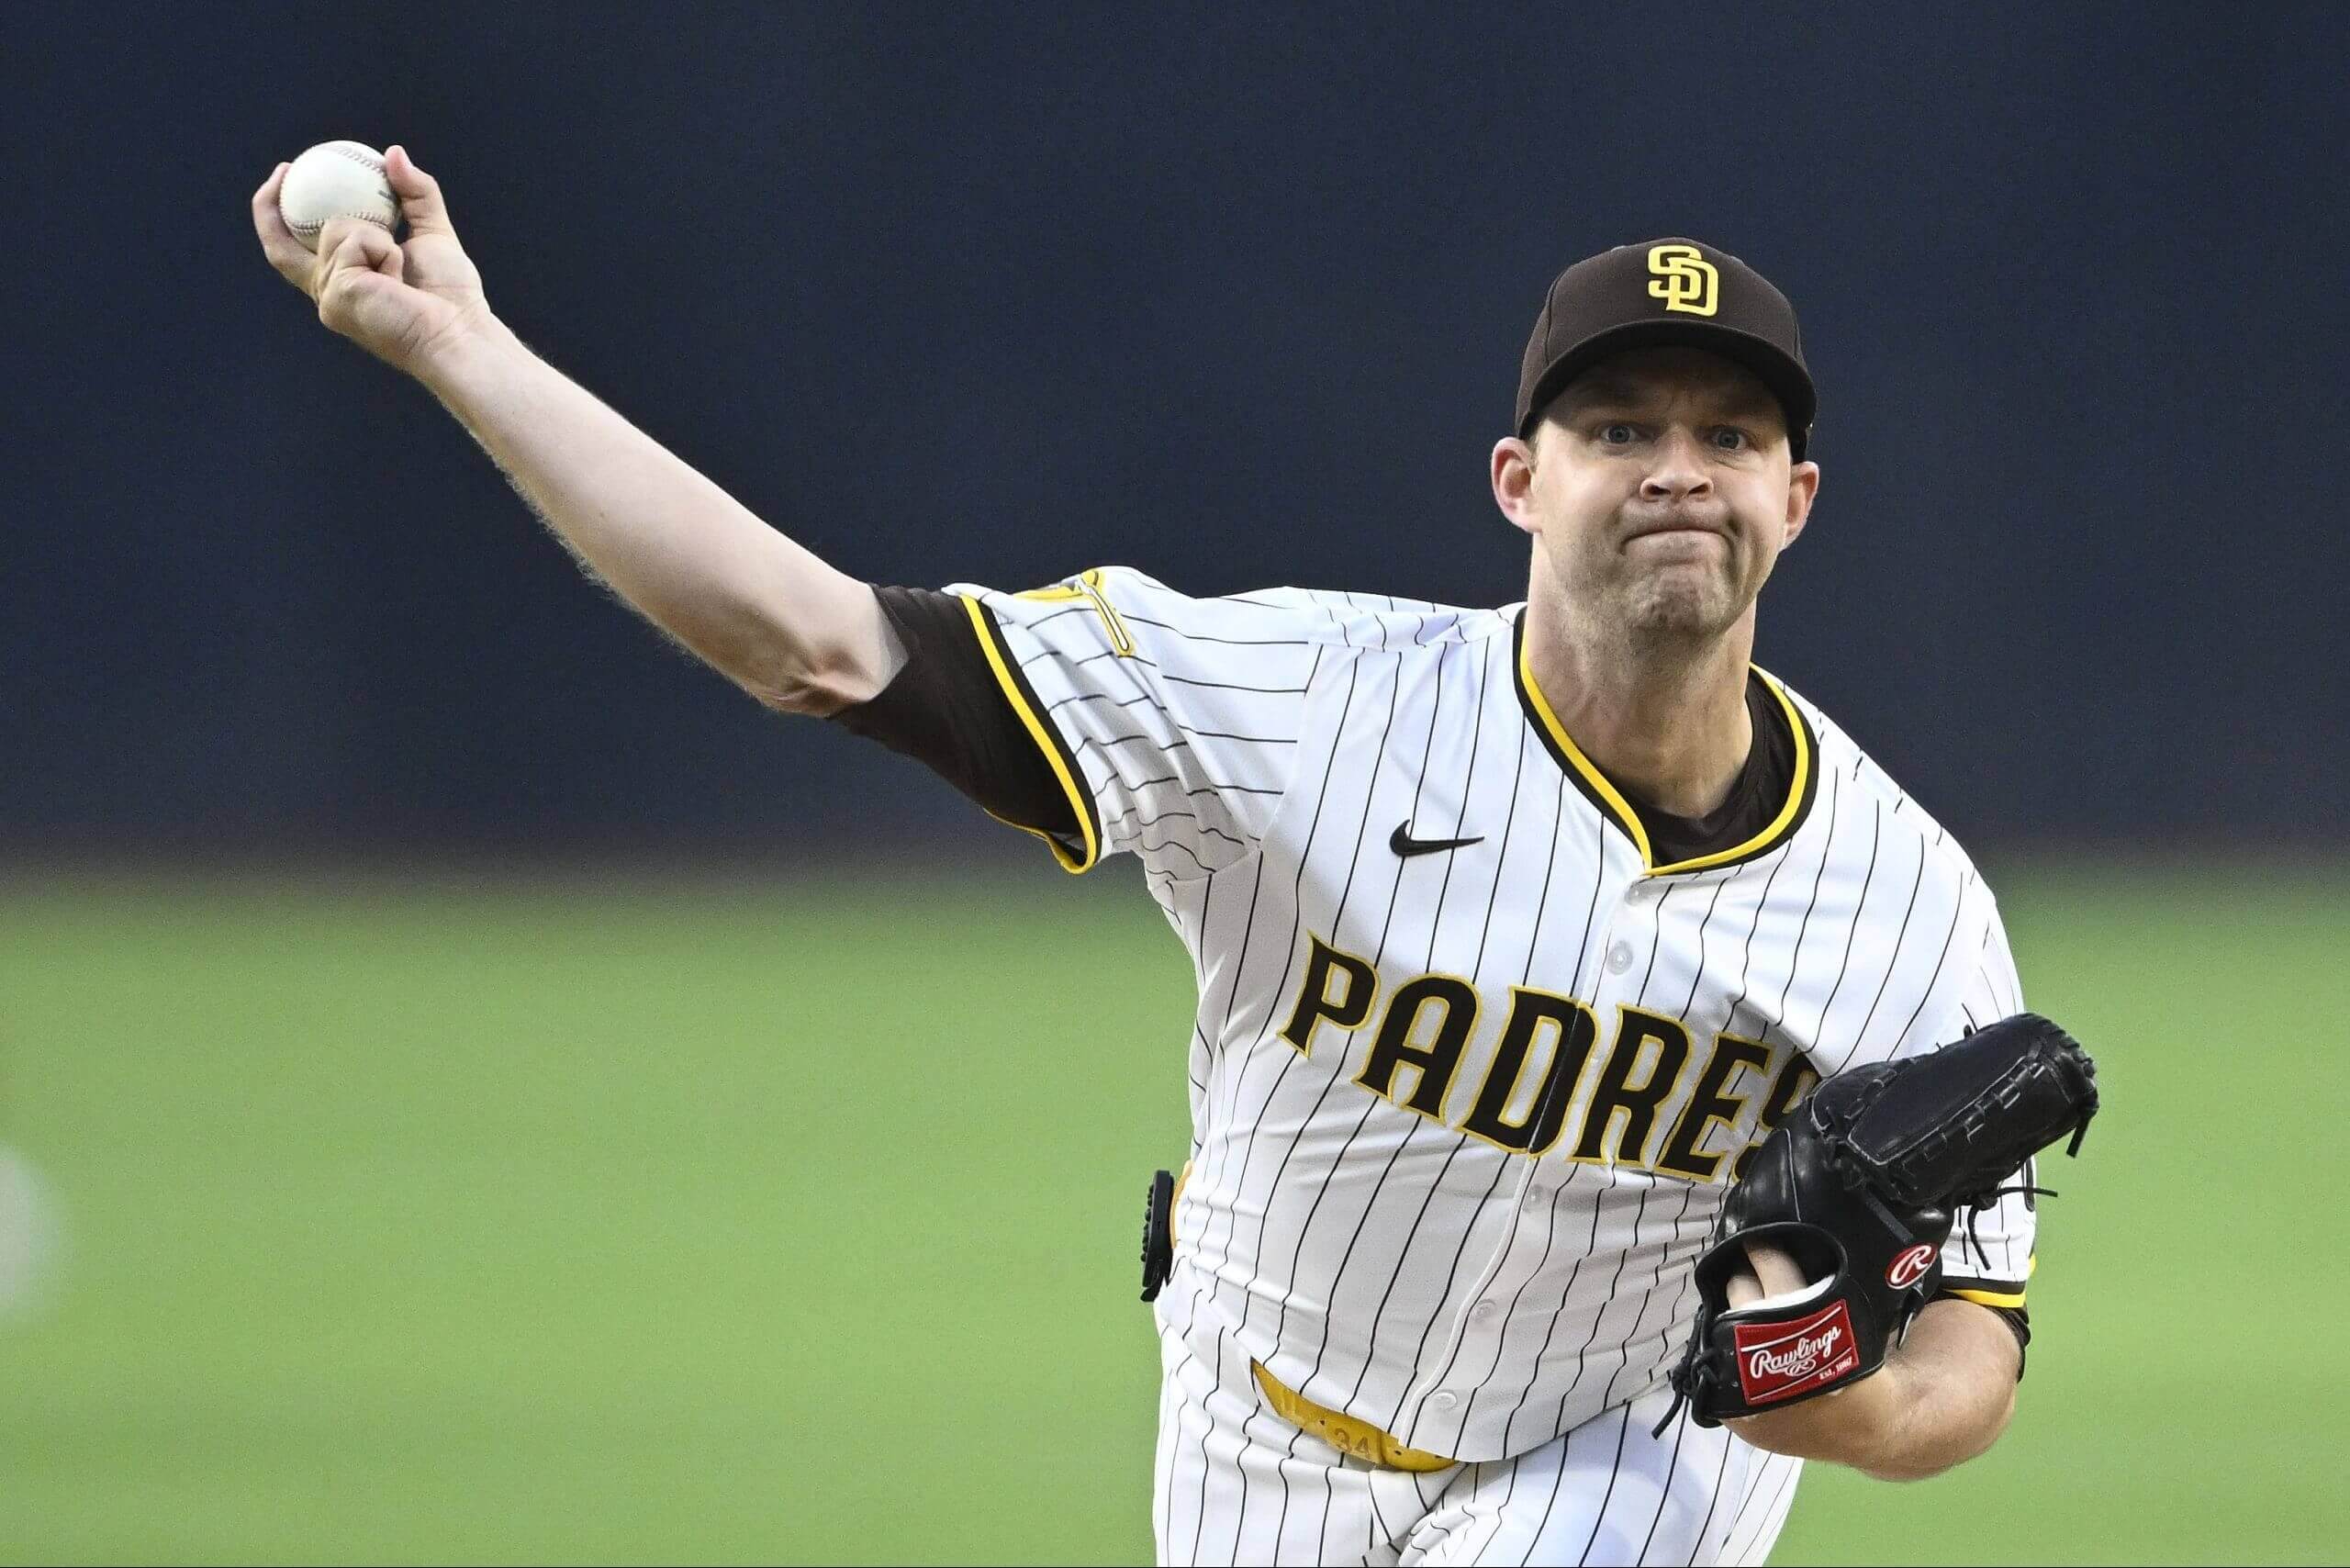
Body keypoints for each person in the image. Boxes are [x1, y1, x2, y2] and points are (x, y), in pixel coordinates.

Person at [252, 151, 2039, 1566]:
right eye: (1618, 427)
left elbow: (1971, 1340)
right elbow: (813, 641)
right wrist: (458, 348)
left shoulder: (1901, 902)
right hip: (1256, 1418)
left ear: (1793, 497)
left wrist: (1837, 1402)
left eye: (1729, 434)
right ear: (1517, 477)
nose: (1676, 469)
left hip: (1633, 1438)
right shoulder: (1288, 697)